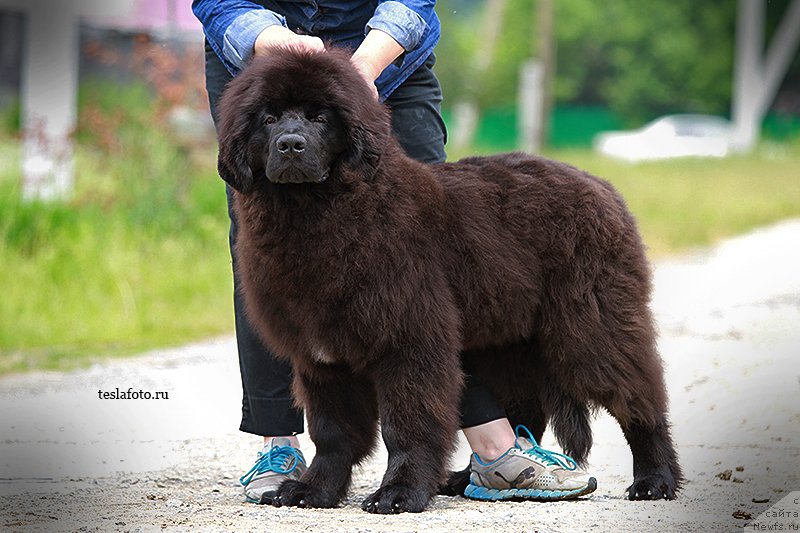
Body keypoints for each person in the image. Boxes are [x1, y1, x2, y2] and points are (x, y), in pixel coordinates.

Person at [192, 0, 596, 505]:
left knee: (440, 240)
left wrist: (364, 67)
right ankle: (292, 450)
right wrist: (265, 38)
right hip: (257, 54)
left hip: (387, 52)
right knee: (265, 248)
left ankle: (484, 446)